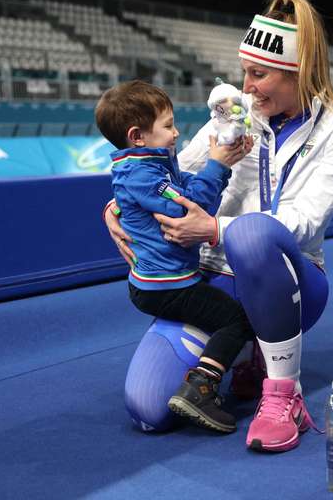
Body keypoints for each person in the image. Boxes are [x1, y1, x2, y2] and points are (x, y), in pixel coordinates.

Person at [105, 0, 333, 452]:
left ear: (300, 70)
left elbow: (303, 221)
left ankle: (281, 393)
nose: (246, 87)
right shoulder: (235, 112)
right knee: (148, 408)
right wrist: (116, 206)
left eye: (260, 75)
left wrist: (212, 229)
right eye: (244, 71)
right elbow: (172, 170)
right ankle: (247, 349)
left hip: (293, 278)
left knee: (252, 235)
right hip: (212, 280)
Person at [95, 80, 255, 434]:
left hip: (165, 281)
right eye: (168, 126)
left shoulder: (148, 163)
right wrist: (217, 166)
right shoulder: (144, 174)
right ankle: (201, 387)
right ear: (137, 136)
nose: (176, 132)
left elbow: (180, 184)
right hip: (166, 287)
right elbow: (191, 210)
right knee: (235, 321)